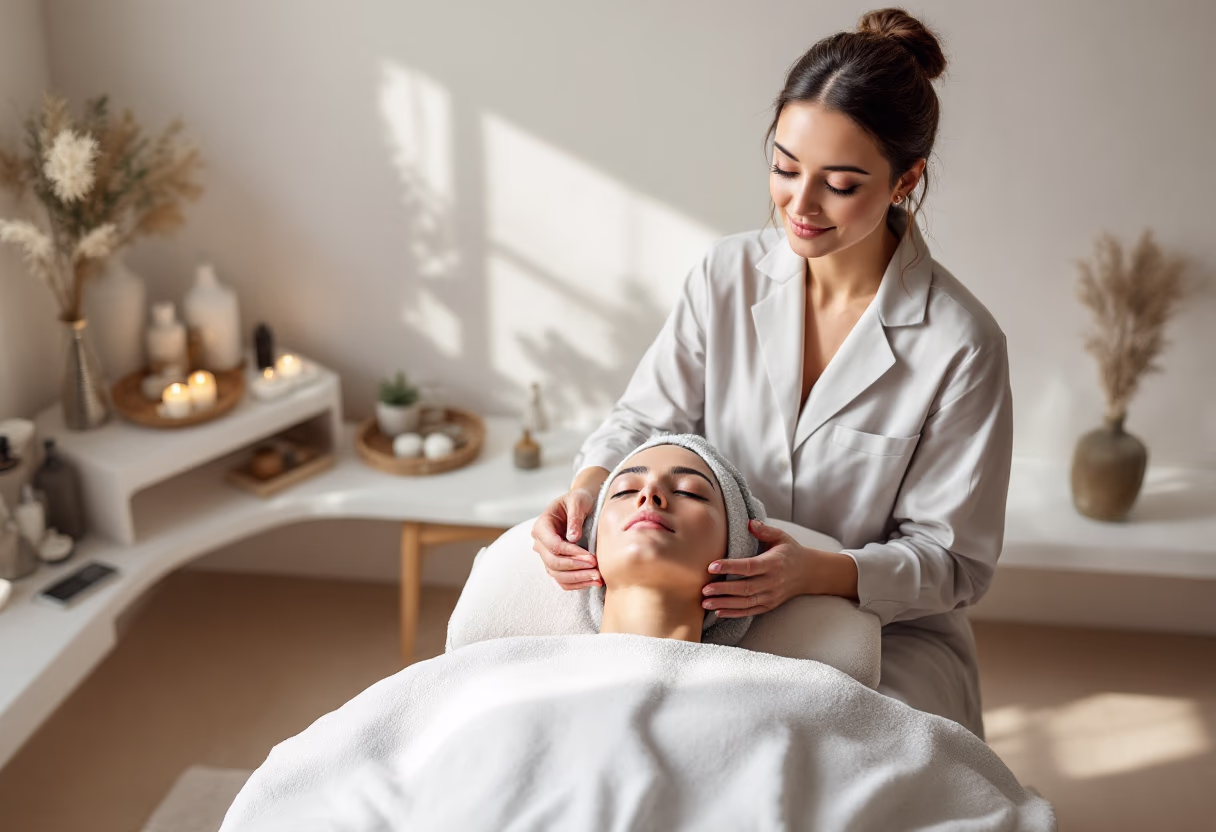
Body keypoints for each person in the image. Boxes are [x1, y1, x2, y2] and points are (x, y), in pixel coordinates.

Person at [532, 7, 1013, 739]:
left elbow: (953, 564)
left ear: (904, 180)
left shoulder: (961, 344)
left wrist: (817, 572)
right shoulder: (726, 276)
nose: (800, 204)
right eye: (785, 168)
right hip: (709, 603)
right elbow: (642, 423)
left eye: (840, 184)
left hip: (883, 625)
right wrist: (588, 491)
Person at [585, 433, 766, 645]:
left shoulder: (780, 678)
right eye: (625, 490)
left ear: (736, 548)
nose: (649, 492)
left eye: (688, 492)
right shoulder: (537, 668)